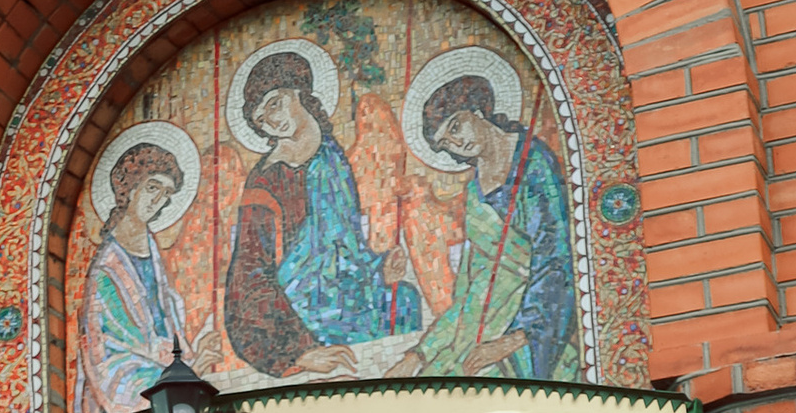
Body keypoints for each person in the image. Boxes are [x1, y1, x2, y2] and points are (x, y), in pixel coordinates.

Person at [221, 50, 418, 373]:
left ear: (298, 92)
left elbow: (346, 245)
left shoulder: (331, 157)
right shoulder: (266, 180)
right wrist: (296, 351)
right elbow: (250, 271)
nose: (271, 119)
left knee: (404, 300)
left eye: (274, 103)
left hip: (346, 291)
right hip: (297, 310)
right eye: (260, 119)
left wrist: (380, 268)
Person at [410, 75, 579, 378]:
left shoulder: (534, 162)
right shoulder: (474, 193)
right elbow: (470, 286)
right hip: (480, 330)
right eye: (446, 142)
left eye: (455, 126)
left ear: (476, 111)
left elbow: (555, 262)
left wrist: (513, 340)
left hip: (527, 333)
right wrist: (420, 353)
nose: (457, 142)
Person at [72, 139, 198, 413]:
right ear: (129, 188)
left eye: (166, 193)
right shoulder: (107, 267)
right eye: (152, 187)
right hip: (122, 380)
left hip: (163, 370)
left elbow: (167, 320)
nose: (158, 200)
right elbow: (109, 350)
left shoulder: (152, 249)